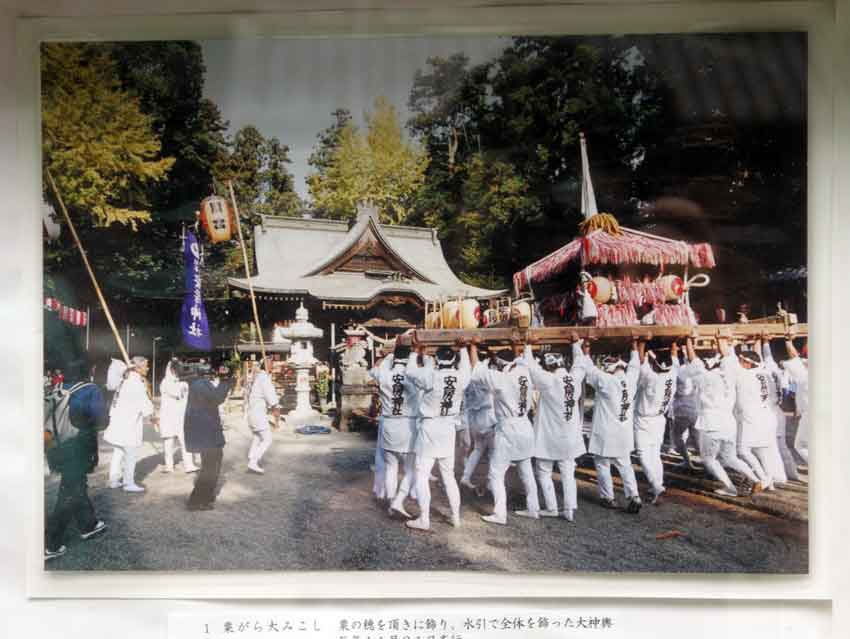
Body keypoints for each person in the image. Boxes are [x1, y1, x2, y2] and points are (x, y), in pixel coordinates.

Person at [469, 337, 540, 525]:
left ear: (500, 364)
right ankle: (533, 508)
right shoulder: (524, 371)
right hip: (526, 426)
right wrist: (516, 344)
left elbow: (476, 371)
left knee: (496, 473)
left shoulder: (500, 378)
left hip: (508, 429)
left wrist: (473, 346)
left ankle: (500, 513)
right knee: (526, 471)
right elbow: (517, 357)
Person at [403, 338, 471, 530]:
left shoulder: (431, 375)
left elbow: (409, 372)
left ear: (437, 359)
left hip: (430, 428)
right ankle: (456, 517)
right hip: (448, 428)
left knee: (422, 474)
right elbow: (466, 366)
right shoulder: (461, 377)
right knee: (448, 476)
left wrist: (415, 351)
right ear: (453, 360)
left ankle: (424, 519)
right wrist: (464, 348)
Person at [683, 335, 763, 496]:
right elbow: (727, 357)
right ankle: (755, 479)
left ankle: (730, 487)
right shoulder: (732, 375)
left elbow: (693, 360)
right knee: (730, 457)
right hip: (728, 423)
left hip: (711, 423)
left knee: (708, 459)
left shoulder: (706, 377)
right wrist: (720, 340)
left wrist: (688, 341)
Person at [45, 359, 109, 561]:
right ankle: (51, 543)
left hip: (56, 445)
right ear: (89, 369)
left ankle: (88, 524)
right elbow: (101, 423)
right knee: (70, 491)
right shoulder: (91, 390)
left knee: (76, 484)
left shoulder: (58, 387)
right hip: (79, 446)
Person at [522, 335, 586, 521]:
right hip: (569, 436)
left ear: (549, 366)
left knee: (543, 471)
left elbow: (531, 367)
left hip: (549, 436)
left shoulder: (548, 381)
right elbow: (580, 364)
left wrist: (528, 346)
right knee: (568, 472)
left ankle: (551, 507)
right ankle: (569, 510)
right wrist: (575, 344)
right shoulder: (573, 380)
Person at [575, 338, 642, 513]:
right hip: (623, 433)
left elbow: (590, 370)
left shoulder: (607, 381)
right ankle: (634, 495)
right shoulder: (630, 380)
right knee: (625, 465)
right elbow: (635, 366)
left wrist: (586, 351)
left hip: (605, 432)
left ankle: (608, 497)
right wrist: (634, 347)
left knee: (602, 464)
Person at [368, 344, 420, 518]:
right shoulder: (414, 375)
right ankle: (399, 500)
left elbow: (374, 369)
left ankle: (391, 502)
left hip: (389, 424)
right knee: (411, 469)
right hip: (409, 426)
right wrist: (414, 355)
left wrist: (390, 356)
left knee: (391, 467)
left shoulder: (384, 373)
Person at [183, 363, 235, 511]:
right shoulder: (200, 384)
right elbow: (217, 397)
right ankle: (197, 500)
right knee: (210, 467)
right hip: (206, 432)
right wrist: (225, 381)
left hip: (207, 430)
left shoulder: (198, 383)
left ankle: (206, 496)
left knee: (213, 463)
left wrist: (225, 381)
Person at [633, 340, 679, 504]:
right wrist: (673, 343)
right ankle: (657, 485)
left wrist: (641, 343)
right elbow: (674, 358)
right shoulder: (672, 375)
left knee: (644, 454)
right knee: (654, 454)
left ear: (657, 366)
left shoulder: (651, 377)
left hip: (645, 419)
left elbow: (640, 361)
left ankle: (655, 485)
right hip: (660, 419)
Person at [102, 356, 155, 492]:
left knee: (118, 451)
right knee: (131, 454)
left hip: (119, 421)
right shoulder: (135, 383)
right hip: (128, 423)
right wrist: (151, 413)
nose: (148, 368)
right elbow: (144, 404)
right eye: (146, 365)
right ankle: (128, 483)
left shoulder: (125, 380)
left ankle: (113, 480)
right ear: (137, 368)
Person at [729, 342, 775, 490]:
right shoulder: (763, 371)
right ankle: (768, 480)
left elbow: (728, 360)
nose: (739, 364)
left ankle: (764, 479)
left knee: (742, 450)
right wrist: (756, 341)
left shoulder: (744, 375)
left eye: (741, 361)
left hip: (751, 416)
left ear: (748, 364)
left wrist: (730, 344)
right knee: (760, 450)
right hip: (765, 414)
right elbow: (757, 358)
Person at [459, 354, 497, 496]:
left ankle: (466, 476)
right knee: (493, 452)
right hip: (488, 417)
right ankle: (491, 482)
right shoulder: (484, 376)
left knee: (478, 449)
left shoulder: (465, 377)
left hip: (473, 419)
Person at [159, 359, 196, 473]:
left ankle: (189, 465)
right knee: (168, 442)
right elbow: (176, 393)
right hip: (169, 416)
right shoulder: (166, 382)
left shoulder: (182, 382)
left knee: (185, 441)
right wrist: (184, 383)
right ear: (171, 370)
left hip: (181, 415)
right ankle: (169, 466)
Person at [245, 358, 280, 474]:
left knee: (257, 436)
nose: (273, 367)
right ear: (266, 366)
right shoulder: (264, 378)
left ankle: (251, 456)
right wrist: (276, 418)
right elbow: (272, 399)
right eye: (271, 365)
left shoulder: (257, 377)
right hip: (258, 413)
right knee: (267, 439)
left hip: (252, 412)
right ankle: (253, 462)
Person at [783, 334, 809, 463]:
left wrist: (788, 341)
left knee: (801, 446)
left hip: (811, 415)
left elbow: (794, 357)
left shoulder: (805, 375)